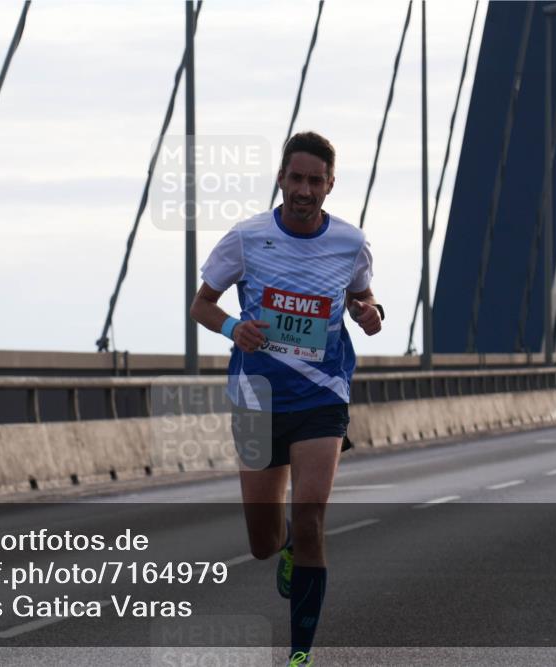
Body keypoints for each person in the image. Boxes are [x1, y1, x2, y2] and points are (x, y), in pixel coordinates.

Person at [190, 131, 382, 666]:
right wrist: (233, 327)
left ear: (330, 186)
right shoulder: (247, 238)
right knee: (262, 540)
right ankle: (288, 551)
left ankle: (299, 657)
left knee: (312, 514)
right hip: (258, 398)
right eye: (295, 178)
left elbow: (362, 297)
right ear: (280, 178)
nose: (303, 190)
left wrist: (370, 313)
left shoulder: (349, 243)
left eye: (314, 181)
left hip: (322, 396)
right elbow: (201, 305)